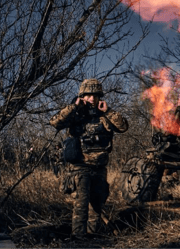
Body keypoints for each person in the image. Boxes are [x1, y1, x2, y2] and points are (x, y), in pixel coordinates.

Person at [49, 78, 128, 238]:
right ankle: (78, 237)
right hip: (80, 167)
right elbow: (55, 122)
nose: (92, 99)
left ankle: (92, 237)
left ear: (100, 97)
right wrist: (73, 107)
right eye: (88, 95)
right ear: (82, 96)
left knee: (97, 204)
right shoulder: (75, 114)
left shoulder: (104, 115)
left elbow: (123, 126)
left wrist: (108, 111)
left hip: (99, 167)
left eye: (95, 95)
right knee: (81, 203)